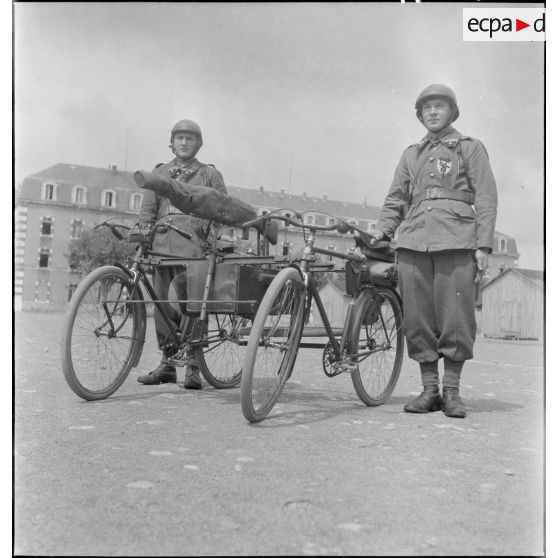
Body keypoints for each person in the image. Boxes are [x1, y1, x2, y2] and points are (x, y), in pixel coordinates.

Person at [368, 84, 497, 418]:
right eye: (427, 109)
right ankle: (429, 391)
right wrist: (382, 231)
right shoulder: (411, 153)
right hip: (412, 242)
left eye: (439, 107)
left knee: (456, 317)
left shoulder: (470, 148)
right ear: (420, 115)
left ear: (452, 112)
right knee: (418, 317)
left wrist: (483, 244)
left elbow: (485, 197)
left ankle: (452, 392)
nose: (433, 113)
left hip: (457, 240)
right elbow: (396, 198)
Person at [137, 119, 227, 389]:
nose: (185, 143)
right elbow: (148, 210)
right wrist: (143, 238)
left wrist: (210, 234)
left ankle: (193, 367)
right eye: (180, 138)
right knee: (164, 307)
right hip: (163, 247)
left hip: (195, 249)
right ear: (172, 143)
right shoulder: (160, 173)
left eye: (190, 138)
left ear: (198, 144)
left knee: (193, 307)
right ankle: (167, 364)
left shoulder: (210, 175)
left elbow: (222, 209)